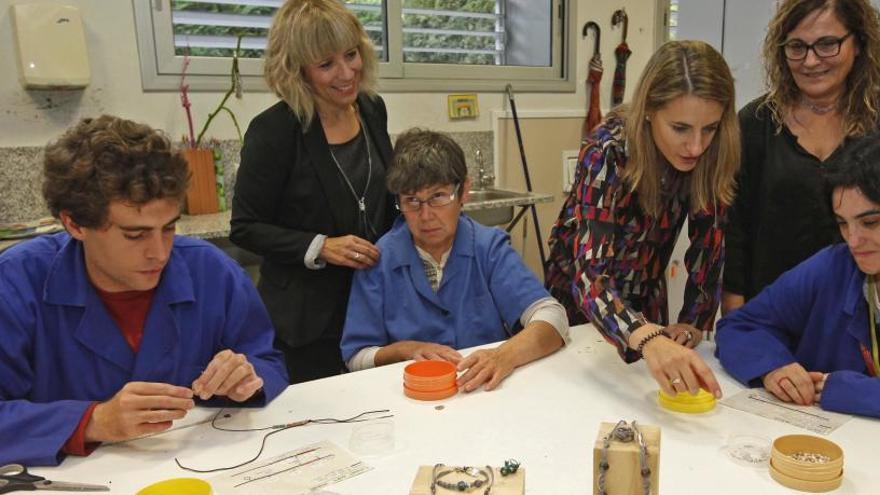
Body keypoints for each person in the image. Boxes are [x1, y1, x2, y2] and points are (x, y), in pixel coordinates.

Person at [0, 116, 288, 466]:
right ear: (74, 224)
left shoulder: (211, 271)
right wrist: (93, 421)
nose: (160, 252)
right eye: (135, 235)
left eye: (168, 228)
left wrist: (248, 378)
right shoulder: (16, 284)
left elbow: (267, 360)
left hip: (199, 468)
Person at [544, 40, 740, 398]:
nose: (696, 146)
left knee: (643, 399)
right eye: (680, 128)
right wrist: (646, 336)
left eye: (709, 129)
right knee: (581, 399)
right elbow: (589, 276)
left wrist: (693, 323)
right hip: (580, 302)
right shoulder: (606, 151)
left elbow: (710, 245)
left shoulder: (714, 153)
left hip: (646, 293)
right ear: (649, 110)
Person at [230, 0, 396, 383]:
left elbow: (380, 198)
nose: (346, 73)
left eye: (351, 54)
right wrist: (320, 246)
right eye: (326, 64)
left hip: (372, 304)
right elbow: (246, 227)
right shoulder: (275, 131)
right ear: (296, 70)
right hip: (307, 322)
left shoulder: (372, 109)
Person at [340, 129, 569, 392]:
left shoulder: (488, 247)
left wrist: (503, 356)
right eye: (412, 200)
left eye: (438, 196)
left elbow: (553, 318)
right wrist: (405, 350)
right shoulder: (380, 259)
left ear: (464, 192)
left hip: (481, 392)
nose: (425, 215)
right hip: (410, 398)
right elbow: (356, 357)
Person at [723, 0, 880, 314]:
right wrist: (737, 323)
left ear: (859, 43)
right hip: (771, 321)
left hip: (861, 326)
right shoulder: (754, 123)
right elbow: (734, 231)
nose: (810, 61)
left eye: (827, 44)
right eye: (796, 46)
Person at [717, 135, 880, 418]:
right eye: (843, 223)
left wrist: (850, 391)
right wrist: (771, 366)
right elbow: (739, 326)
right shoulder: (834, 266)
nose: (853, 240)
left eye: (870, 222)